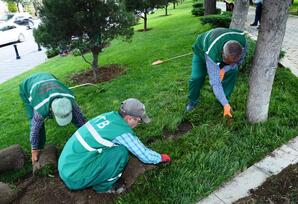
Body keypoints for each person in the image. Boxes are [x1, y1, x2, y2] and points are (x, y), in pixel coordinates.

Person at [58, 98, 171, 193]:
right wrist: (160, 158)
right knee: (120, 153)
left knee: (113, 149)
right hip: (75, 177)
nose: (138, 124)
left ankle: (95, 176)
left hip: (66, 164)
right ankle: (104, 187)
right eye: (138, 121)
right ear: (129, 118)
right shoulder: (121, 132)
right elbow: (144, 155)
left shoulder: (109, 116)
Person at [19, 72, 87, 164]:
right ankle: (39, 147)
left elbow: (80, 118)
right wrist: (34, 149)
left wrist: (87, 131)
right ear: (51, 110)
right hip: (27, 85)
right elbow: (34, 130)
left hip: (47, 76)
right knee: (36, 123)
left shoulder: (70, 100)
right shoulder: (40, 110)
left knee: (77, 117)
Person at [186, 27, 247, 117]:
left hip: (218, 50)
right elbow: (215, 82)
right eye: (227, 62)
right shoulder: (212, 52)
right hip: (201, 52)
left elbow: (237, 63)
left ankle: (224, 101)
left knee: (233, 71)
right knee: (197, 77)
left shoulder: (242, 43)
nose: (228, 64)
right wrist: (220, 70)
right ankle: (192, 101)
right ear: (222, 53)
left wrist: (225, 69)